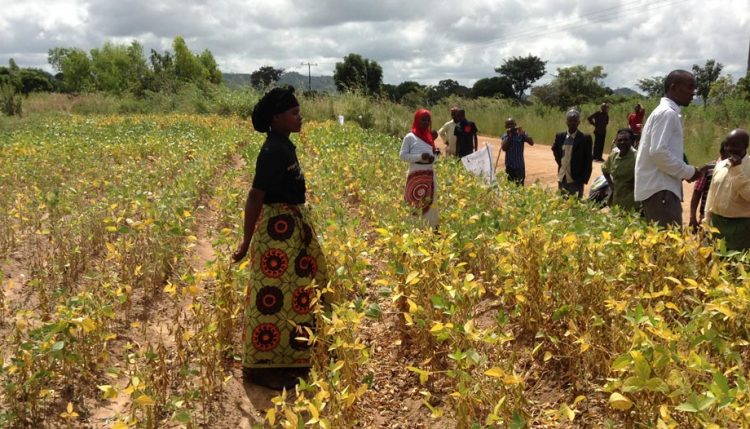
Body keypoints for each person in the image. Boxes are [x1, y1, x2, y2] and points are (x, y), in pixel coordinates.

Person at [232, 87, 328, 390]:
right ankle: (260, 368)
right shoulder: (273, 150)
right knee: (270, 303)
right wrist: (246, 242)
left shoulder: (283, 145)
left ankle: (291, 357)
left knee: (294, 296)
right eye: (294, 113)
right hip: (276, 236)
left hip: (289, 232)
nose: (300, 117)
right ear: (277, 118)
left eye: (299, 112)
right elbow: (255, 195)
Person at [634, 69, 706, 228]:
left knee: (661, 246)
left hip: (659, 190)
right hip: (661, 191)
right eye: (689, 87)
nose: (693, 93)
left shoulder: (664, 112)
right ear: (673, 87)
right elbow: (659, 152)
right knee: (668, 246)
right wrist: (688, 171)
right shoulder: (667, 113)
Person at [703, 129, 750, 252]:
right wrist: (706, 220)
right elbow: (711, 195)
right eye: (727, 144)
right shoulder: (720, 165)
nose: (729, 148)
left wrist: (737, 170)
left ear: (745, 146)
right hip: (717, 225)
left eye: (735, 145)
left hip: (741, 228)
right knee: (716, 265)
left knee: (737, 266)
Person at [400, 108, 439, 228]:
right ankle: (414, 227)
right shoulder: (410, 137)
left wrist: (435, 155)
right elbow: (402, 156)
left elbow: (432, 155)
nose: (426, 123)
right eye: (423, 120)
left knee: (429, 200)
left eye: (428, 120)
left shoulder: (429, 137)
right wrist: (420, 156)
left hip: (429, 173)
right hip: (415, 172)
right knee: (414, 199)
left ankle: (430, 227)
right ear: (417, 120)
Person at [552, 109, 593, 198]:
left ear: (579, 122)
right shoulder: (560, 136)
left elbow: (588, 160)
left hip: (576, 180)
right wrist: (561, 163)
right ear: (567, 122)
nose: (572, 123)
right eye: (570, 120)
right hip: (562, 177)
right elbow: (555, 150)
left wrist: (583, 178)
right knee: (561, 205)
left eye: (575, 121)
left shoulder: (585, 138)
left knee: (575, 207)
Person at [689, 142, 727, 230]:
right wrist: (692, 216)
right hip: (707, 216)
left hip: (729, 218)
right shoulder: (707, 168)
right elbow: (697, 192)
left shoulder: (738, 169)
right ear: (722, 152)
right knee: (706, 242)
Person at [601, 128, 640, 212]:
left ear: (631, 141)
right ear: (616, 142)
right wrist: (611, 185)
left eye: (626, 140)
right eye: (620, 140)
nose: (622, 142)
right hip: (616, 199)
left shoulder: (637, 158)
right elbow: (604, 169)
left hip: (631, 202)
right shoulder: (613, 156)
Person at [501, 117, 534, 185]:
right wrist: (509, 136)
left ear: (515, 125)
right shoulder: (505, 136)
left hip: (519, 166)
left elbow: (531, 143)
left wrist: (523, 134)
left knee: (520, 186)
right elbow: (504, 148)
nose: (510, 126)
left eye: (512, 124)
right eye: (508, 125)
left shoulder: (521, 134)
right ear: (506, 127)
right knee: (509, 187)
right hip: (509, 167)